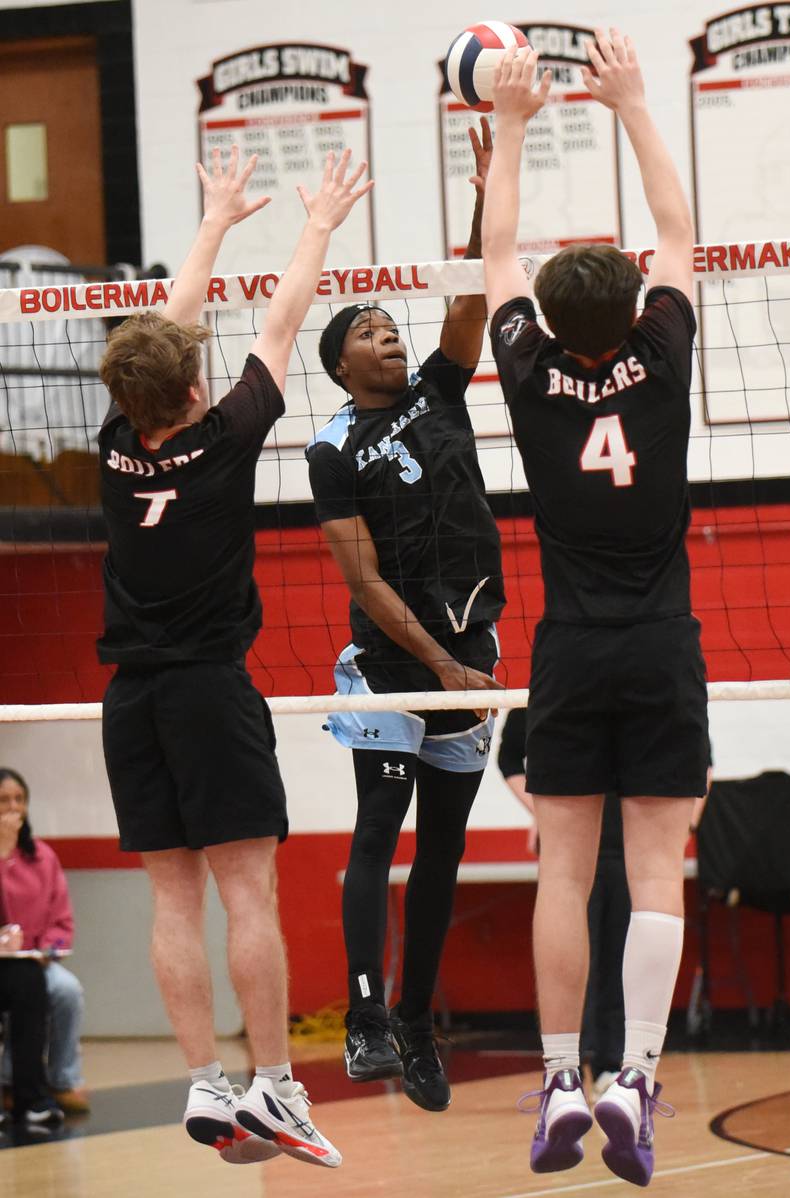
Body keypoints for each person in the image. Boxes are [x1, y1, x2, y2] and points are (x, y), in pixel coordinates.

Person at [97, 145, 372, 1168]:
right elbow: (285, 319)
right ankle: (274, 1086)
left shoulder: (114, 446)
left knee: (174, 896)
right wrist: (315, 225)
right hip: (211, 691)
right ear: (196, 386)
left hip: (130, 699)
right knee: (245, 893)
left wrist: (211, 221)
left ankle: (203, 1080)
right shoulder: (224, 437)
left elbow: (165, 336)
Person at [482, 33, 710, 1186]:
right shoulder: (662, 354)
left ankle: (560, 1081)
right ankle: (637, 1080)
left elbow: (495, 257)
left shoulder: (522, 368)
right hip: (661, 639)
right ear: (633, 303)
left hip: (566, 647)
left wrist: (509, 128)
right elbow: (677, 230)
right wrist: (627, 103)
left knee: (562, 872)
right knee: (655, 866)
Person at [306, 118, 505, 1113]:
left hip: (473, 646)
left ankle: (419, 1023)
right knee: (377, 825)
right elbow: (365, 579)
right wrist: (433, 667)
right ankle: (363, 1018)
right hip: (392, 658)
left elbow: (466, 293)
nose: (388, 333)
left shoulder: (437, 389)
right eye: (368, 331)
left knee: (444, 848)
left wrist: (484, 190)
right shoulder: (331, 445)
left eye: (392, 325)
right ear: (342, 363)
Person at [497, 712, 630, 1100]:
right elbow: (508, 758)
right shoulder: (541, 692)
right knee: (571, 956)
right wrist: (541, 810)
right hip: (569, 844)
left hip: (623, 842)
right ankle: (565, 1066)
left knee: (617, 955)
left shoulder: (629, 685)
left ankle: (611, 1064)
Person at [0, 768, 88, 1115]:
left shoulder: (42, 857)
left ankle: (62, 1078)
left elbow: (62, 921)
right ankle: (8, 1082)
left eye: (19, 800)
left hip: (34, 960)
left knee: (67, 991)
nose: (13, 808)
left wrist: (48, 951)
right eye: (4, 800)